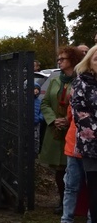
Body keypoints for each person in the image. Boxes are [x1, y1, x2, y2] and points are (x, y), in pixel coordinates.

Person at [40, 46, 81, 214]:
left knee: (73, 169)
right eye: (59, 59)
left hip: (73, 129)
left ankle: (76, 204)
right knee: (59, 168)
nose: (59, 61)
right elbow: (45, 102)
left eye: (62, 59)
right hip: (56, 130)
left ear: (72, 60)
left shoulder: (81, 80)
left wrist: (68, 120)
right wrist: (53, 119)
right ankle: (62, 200)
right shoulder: (56, 80)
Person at [72, 44, 97, 223]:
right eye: (96, 59)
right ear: (89, 61)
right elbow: (81, 114)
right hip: (93, 146)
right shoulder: (82, 83)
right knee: (95, 191)